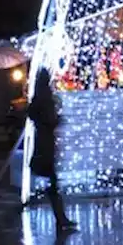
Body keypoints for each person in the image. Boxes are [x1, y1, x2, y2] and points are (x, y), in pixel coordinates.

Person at [27, 68, 76, 234]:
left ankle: (61, 219)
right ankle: (61, 219)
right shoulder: (46, 100)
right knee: (53, 182)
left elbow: (33, 115)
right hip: (47, 144)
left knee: (52, 182)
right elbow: (50, 121)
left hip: (41, 142)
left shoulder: (36, 100)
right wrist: (57, 120)